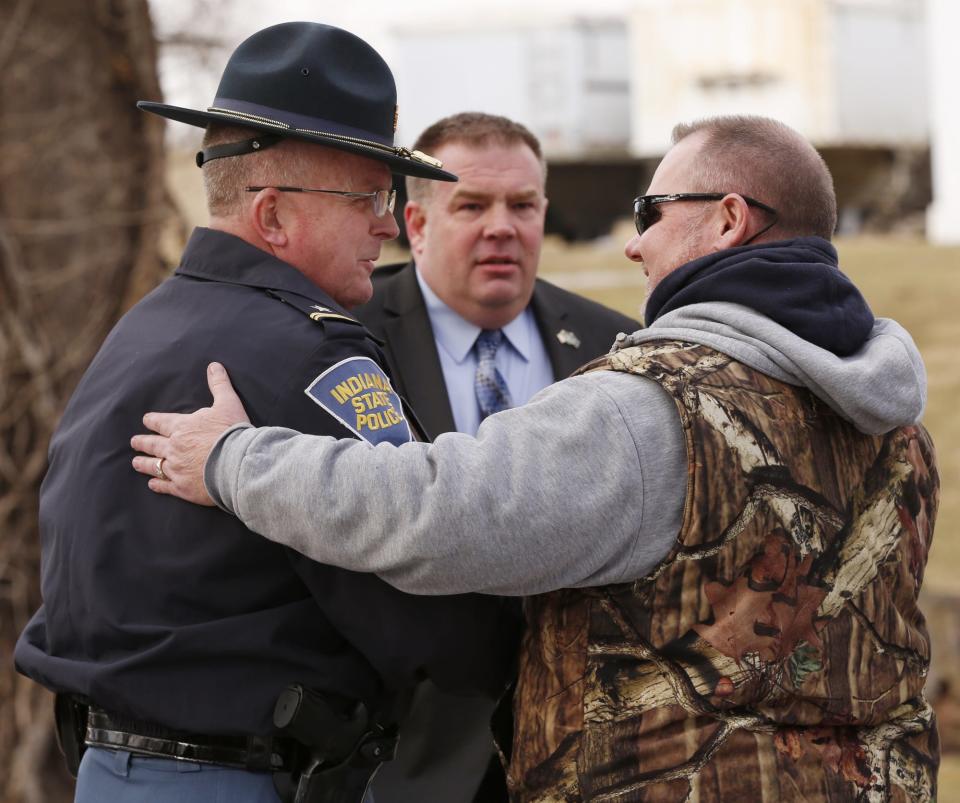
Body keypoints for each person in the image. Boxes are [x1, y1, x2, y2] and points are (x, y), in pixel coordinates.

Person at [133, 115, 940, 801]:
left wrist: (234, 460)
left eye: (651, 210)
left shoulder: (646, 408)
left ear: (729, 219)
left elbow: (437, 511)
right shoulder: (897, 428)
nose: (633, 245)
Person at [14, 22, 519, 803]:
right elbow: (425, 599)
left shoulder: (145, 327)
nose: (387, 225)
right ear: (274, 215)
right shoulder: (309, 354)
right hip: (231, 780)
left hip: (108, 774)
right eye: (369, 198)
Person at [356, 111, 638, 803]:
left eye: (523, 205)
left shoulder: (620, 348)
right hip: (399, 755)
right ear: (416, 225)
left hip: (583, 752)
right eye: (472, 205)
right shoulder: (349, 345)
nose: (502, 227)